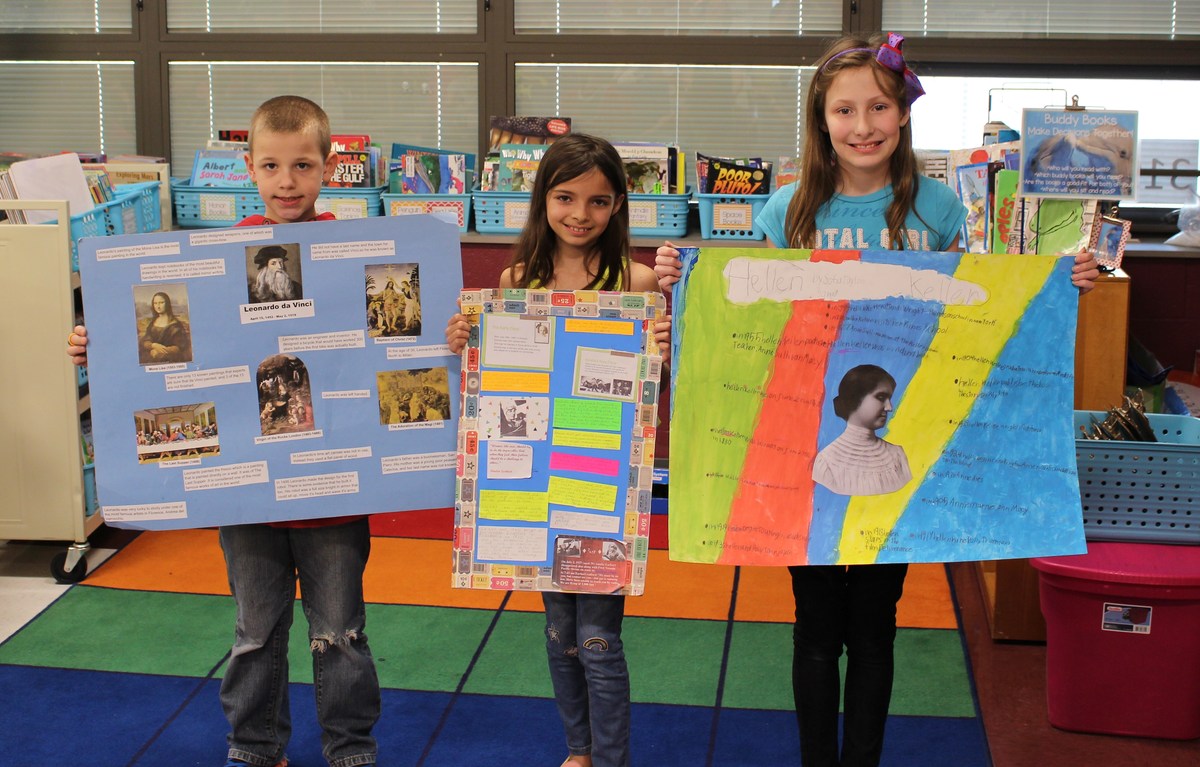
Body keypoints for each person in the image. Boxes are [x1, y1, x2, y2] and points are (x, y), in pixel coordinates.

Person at [653, 34, 1100, 767]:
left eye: (879, 106)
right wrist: (680, 274)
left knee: (877, 624)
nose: (863, 125)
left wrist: (1061, 279)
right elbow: (742, 324)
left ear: (902, 113)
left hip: (909, 449)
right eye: (844, 109)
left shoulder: (939, 208)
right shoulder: (787, 211)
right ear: (820, 120)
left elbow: (992, 297)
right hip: (807, 452)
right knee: (816, 625)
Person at [68, 95, 379, 767]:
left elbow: (386, 338)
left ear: (329, 166)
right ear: (249, 167)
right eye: (271, 165)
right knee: (256, 632)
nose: (287, 181)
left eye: (302, 165)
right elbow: (177, 349)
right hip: (247, 493)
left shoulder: (351, 251)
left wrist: (442, 332)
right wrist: (99, 346)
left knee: (341, 633)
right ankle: (254, 746)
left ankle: (350, 749)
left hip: (333, 491)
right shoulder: (214, 256)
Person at [445, 133, 669, 767]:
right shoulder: (517, 281)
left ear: (618, 204)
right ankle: (578, 751)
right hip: (532, 489)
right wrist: (465, 338)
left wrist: (663, 348)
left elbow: (655, 394)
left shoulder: (637, 280)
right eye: (565, 197)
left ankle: (611, 757)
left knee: (598, 638)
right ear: (542, 198)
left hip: (599, 485)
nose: (580, 213)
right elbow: (500, 382)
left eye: (598, 201)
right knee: (559, 636)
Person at [812, 364, 911, 496]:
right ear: (855, 399)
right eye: (881, 398)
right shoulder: (826, 463)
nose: (889, 407)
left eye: (889, 399)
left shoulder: (897, 456)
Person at [138, 290, 192, 365]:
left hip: (170, 359)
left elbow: (179, 347)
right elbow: (145, 340)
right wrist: (153, 345)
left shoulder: (175, 325)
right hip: (152, 356)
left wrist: (160, 351)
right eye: (155, 303)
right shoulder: (153, 322)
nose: (158, 306)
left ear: (167, 304)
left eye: (161, 303)